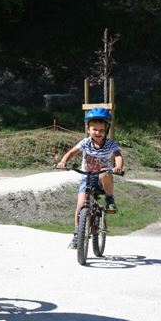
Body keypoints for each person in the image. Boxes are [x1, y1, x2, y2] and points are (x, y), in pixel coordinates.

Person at [56, 107, 124, 249]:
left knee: (106, 172)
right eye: (94, 129)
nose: (98, 133)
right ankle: (77, 235)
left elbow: (117, 155)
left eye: (102, 130)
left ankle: (110, 199)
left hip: (103, 178)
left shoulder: (110, 143)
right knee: (81, 206)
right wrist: (63, 162)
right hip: (87, 176)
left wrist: (118, 166)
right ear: (88, 129)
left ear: (107, 130)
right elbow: (72, 153)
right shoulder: (85, 142)